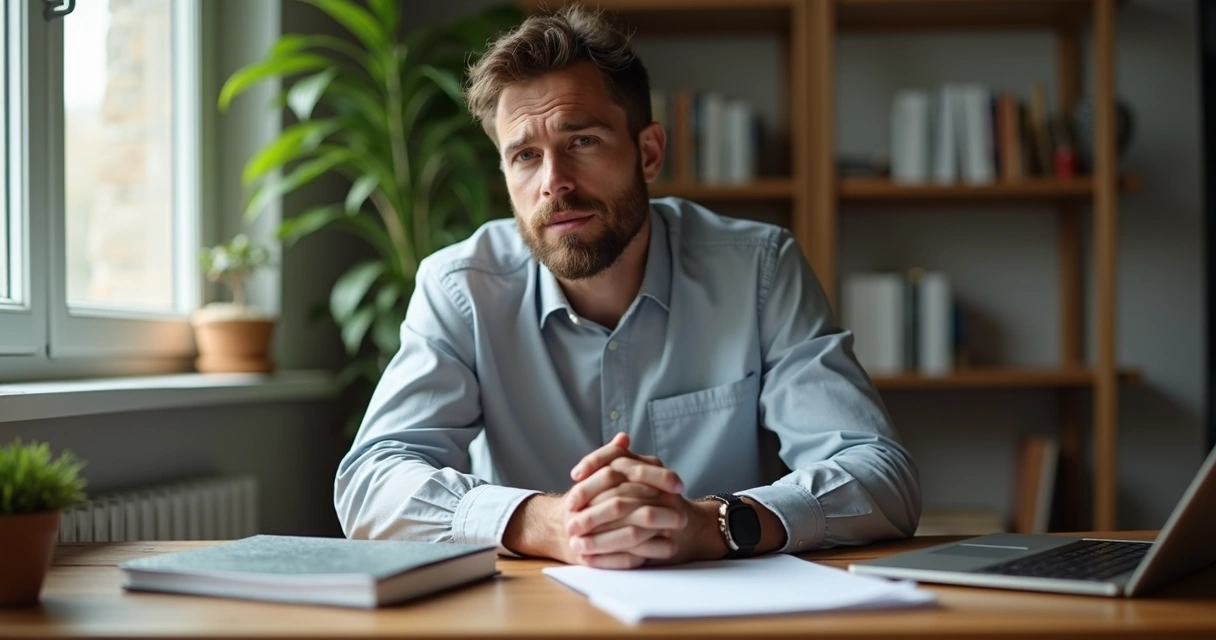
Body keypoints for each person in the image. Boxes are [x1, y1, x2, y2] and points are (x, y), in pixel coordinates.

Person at [334, 4, 921, 570]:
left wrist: (711, 524)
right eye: (525, 156)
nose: (554, 183)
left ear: (648, 153)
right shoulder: (461, 286)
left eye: (581, 141)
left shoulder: (758, 270)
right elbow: (372, 481)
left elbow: (880, 474)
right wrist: (550, 523)